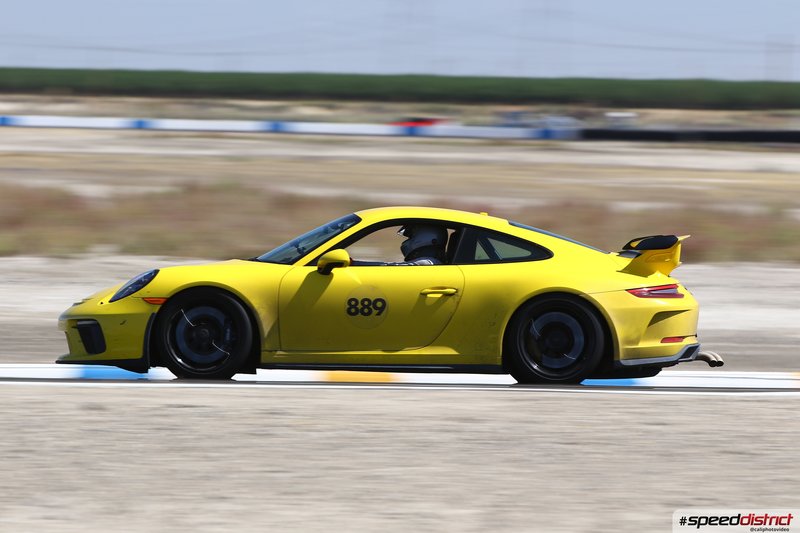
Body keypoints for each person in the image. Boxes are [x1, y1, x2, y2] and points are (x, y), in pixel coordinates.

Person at [351, 224, 448, 266]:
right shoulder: (430, 261)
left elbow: (391, 267)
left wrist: (355, 264)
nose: (407, 241)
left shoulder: (427, 262)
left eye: (411, 237)